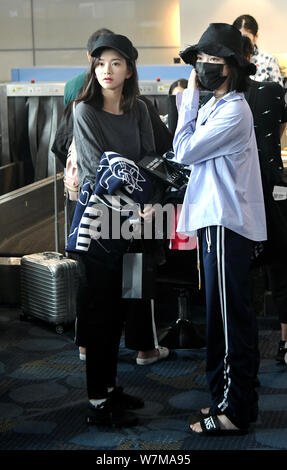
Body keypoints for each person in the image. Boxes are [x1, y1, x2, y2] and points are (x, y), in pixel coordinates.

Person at [66, 33, 169, 427]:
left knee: (127, 303)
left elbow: (148, 157)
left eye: (115, 63)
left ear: (129, 69)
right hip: (102, 226)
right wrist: (136, 206)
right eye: (100, 63)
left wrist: (148, 204)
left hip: (138, 222)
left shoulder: (140, 108)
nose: (106, 71)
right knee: (100, 312)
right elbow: (96, 173)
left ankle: (110, 387)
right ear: (93, 68)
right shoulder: (84, 111)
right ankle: (97, 400)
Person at [173, 23, 267, 435]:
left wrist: (187, 100)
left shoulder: (232, 109)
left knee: (230, 320)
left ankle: (233, 410)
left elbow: (184, 151)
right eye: (200, 59)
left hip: (227, 224)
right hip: (216, 223)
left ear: (230, 66)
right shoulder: (218, 104)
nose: (203, 66)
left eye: (211, 59)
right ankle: (230, 400)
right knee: (221, 318)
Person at [242, 36, 287, 366]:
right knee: (277, 272)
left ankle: (247, 346)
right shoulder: (271, 92)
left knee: (274, 270)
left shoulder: (217, 100)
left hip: (259, 191)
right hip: (260, 190)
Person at [233, 14, 284, 87]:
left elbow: (278, 92)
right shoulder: (229, 59)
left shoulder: (268, 60)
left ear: (255, 37)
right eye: (238, 37)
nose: (242, 42)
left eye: (245, 37)